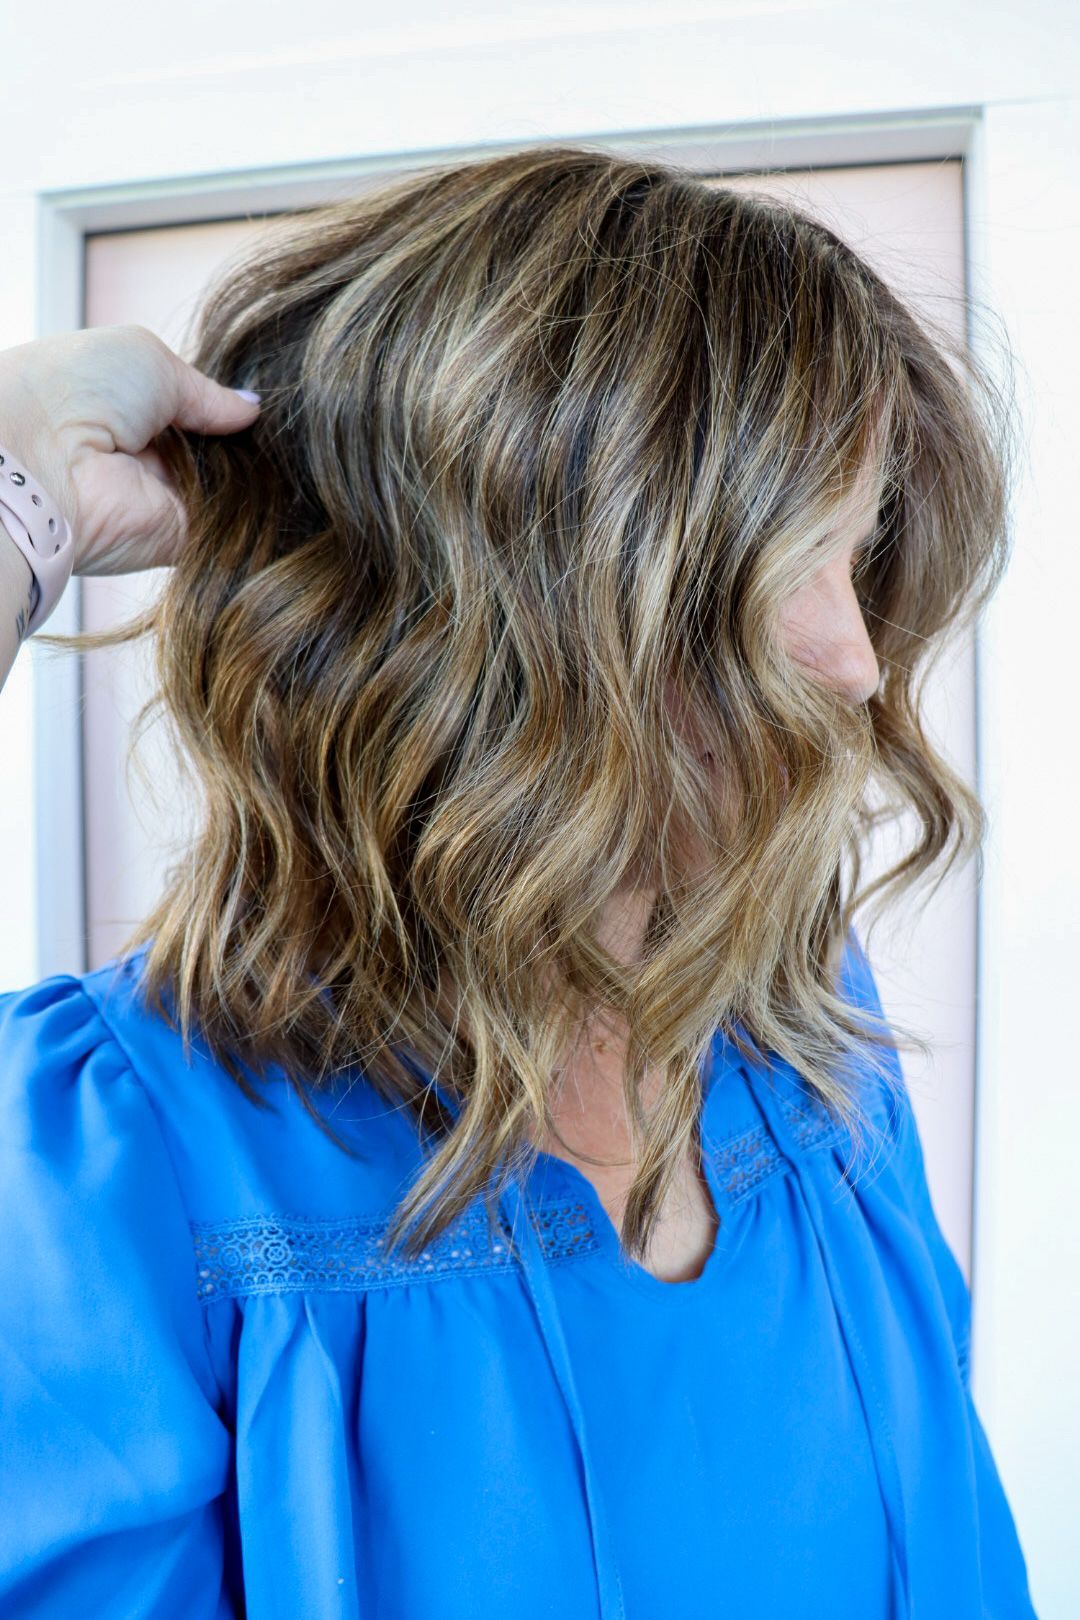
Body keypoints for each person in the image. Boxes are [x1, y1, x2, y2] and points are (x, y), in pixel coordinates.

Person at [0, 146, 1038, 1618]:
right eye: (775, 559)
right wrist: (15, 485)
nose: (856, 661)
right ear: (499, 611)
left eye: (855, 550)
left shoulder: (805, 1056)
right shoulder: (110, 1177)